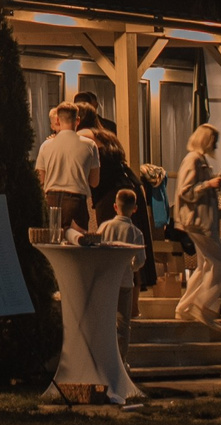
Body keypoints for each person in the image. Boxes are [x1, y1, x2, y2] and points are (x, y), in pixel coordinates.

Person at [87, 121, 158, 293]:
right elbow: (140, 257)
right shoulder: (111, 144)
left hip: (110, 193)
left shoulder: (90, 142)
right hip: (131, 187)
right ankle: (135, 300)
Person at [172, 123, 221, 327]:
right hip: (199, 222)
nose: (216, 145)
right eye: (214, 141)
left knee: (204, 266)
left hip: (200, 222)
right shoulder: (193, 159)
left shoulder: (198, 160)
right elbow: (185, 191)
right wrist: (208, 185)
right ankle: (202, 306)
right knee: (219, 264)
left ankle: (184, 308)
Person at [96, 188, 150, 359]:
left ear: (115, 206)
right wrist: (131, 267)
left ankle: (103, 356)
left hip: (105, 280)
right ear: (135, 209)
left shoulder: (104, 227)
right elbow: (140, 260)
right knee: (123, 323)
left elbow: (96, 250)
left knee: (104, 319)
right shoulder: (136, 232)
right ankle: (121, 359)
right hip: (125, 281)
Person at [36, 101, 100, 232]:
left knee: (53, 240)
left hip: (51, 200)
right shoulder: (90, 145)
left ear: (57, 120)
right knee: (76, 242)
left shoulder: (46, 146)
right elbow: (94, 182)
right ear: (77, 120)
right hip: (76, 201)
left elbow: (40, 179)